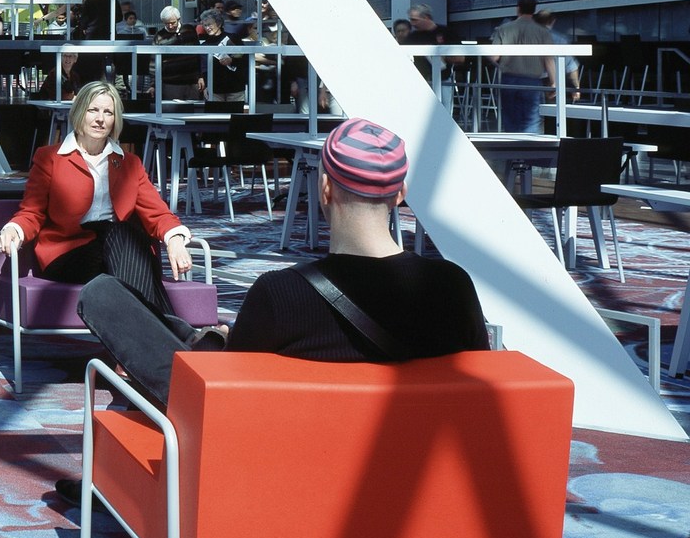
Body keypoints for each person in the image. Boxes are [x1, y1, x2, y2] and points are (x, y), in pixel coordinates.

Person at [73, 118, 488, 411]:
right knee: (193, 333)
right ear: (400, 194)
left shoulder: (282, 294)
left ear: (325, 189)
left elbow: (229, 397)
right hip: (401, 453)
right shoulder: (452, 287)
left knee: (103, 294)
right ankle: (205, 336)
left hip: (269, 448)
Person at [0, 81, 198, 333]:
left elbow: (157, 212)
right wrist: (14, 229)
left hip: (120, 253)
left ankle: (159, 343)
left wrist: (175, 240)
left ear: (115, 120)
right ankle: (182, 335)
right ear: (80, 111)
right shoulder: (49, 158)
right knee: (124, 236)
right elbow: (32, 211)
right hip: (70, 254)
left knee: (123, 243)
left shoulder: (129, 163)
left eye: (108, 112)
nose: (100, 119)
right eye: (93, 110)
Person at [492, 0, 558, 132]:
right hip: (532, 80)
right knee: (531, 121)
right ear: (534, 10)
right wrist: (553, 82)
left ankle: (513, 143)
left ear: (518, 9)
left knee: (510, 120)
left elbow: (494, 56)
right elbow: (548, 59)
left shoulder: (503, 29)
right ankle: (529, 144)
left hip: (508, 79)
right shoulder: (542, 32)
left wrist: (502, 65)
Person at [153, 4, 204, 102]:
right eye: (166, 23)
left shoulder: (189, 30)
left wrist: (201, 76)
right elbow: (154, 62)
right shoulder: (159, 36)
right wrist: (153, 84)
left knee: (193, 109)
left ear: (179, 19)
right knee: (172, 109)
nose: (170, 26)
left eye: (172, 23)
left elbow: (198, 54)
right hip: (171, 83)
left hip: (192, 81)